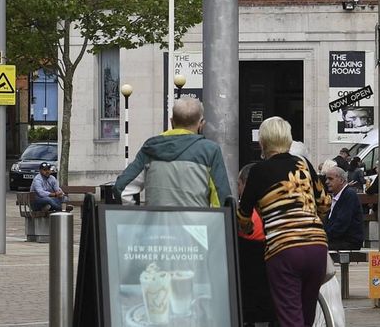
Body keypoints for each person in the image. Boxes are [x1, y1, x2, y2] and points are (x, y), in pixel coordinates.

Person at [237, 116, 331, 327]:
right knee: (306, 317)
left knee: (290, 318)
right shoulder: (303, 164)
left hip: (285, 249)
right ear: (288, 140)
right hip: (316, 247)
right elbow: (324, 203)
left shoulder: (258, 171)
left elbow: (243, 216)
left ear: (262, 142)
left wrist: (251, 225)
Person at [112, 96, 232, 206]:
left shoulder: (150, 148)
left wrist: (138, 220)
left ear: (171, 121)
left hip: (157, 228)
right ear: (201, 124)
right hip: (196, 228)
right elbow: (221, 201)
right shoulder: (210, 151)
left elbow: (122, 189)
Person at [236, 162, 277, 326]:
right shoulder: (276, 213)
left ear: (246, 185)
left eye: (238, 184)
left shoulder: (244, 216)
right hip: (274, 299)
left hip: (248, 299)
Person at [323, 166, 365, 250]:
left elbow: (341, 223)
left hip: (348, 242)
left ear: (341, 180)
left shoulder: (349, 195)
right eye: (326, 179)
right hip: (339, 239)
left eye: (330, 179)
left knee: (314, 249)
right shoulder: (337, 195)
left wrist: (324, 238)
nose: (326, 182)